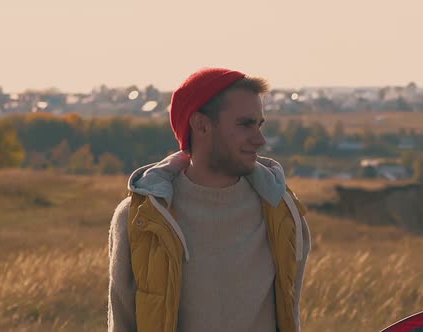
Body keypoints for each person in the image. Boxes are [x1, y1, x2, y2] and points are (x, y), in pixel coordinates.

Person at [107, 67, 311, 332]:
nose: (260, 139)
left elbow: (290, 314)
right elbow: (122, 322)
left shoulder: (283, 212)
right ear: (201, 125)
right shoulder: (141, 218)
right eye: (245, 124)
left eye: (259, 125)